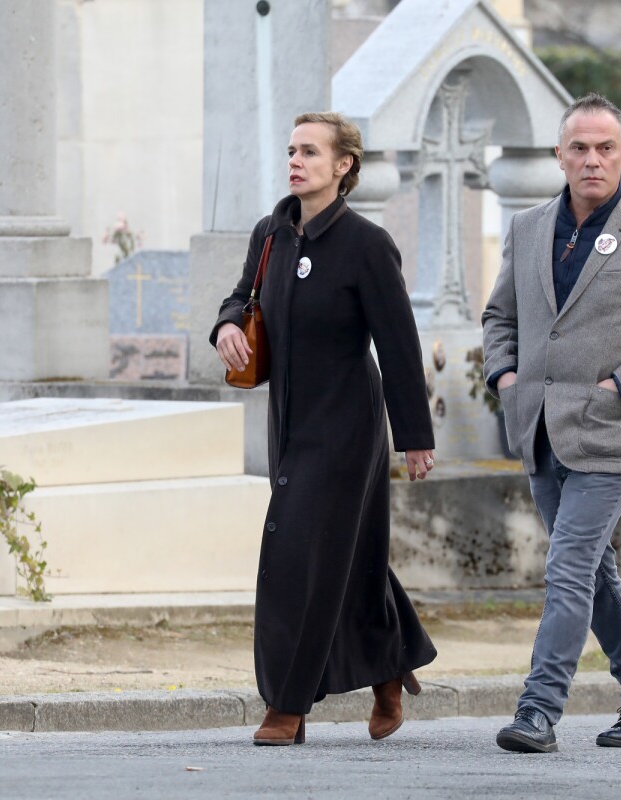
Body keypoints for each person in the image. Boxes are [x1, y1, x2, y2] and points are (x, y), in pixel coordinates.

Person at [481, 93, 621, 753]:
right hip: (539, 427)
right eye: (579, 147)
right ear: (560, 154)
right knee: (595, 572)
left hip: (609, 431)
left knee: (570, 566)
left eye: (605, 148)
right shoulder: (527, 229)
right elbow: (501, 317)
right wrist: (505, 378)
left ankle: (538, 711)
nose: (592, 160)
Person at [211, 111, 438, 747]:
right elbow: (241, 299)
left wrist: (414, 436)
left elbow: (397, 344)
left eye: (311, 152)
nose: (296, 161)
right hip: (287, 417)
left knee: (293, 556)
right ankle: (389, 665)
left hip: (346, 424)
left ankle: (286, 704)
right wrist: (227, 325)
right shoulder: (272, 231)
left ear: (343, 167)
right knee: (351, 557)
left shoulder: (367, 245)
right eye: (291, 150)